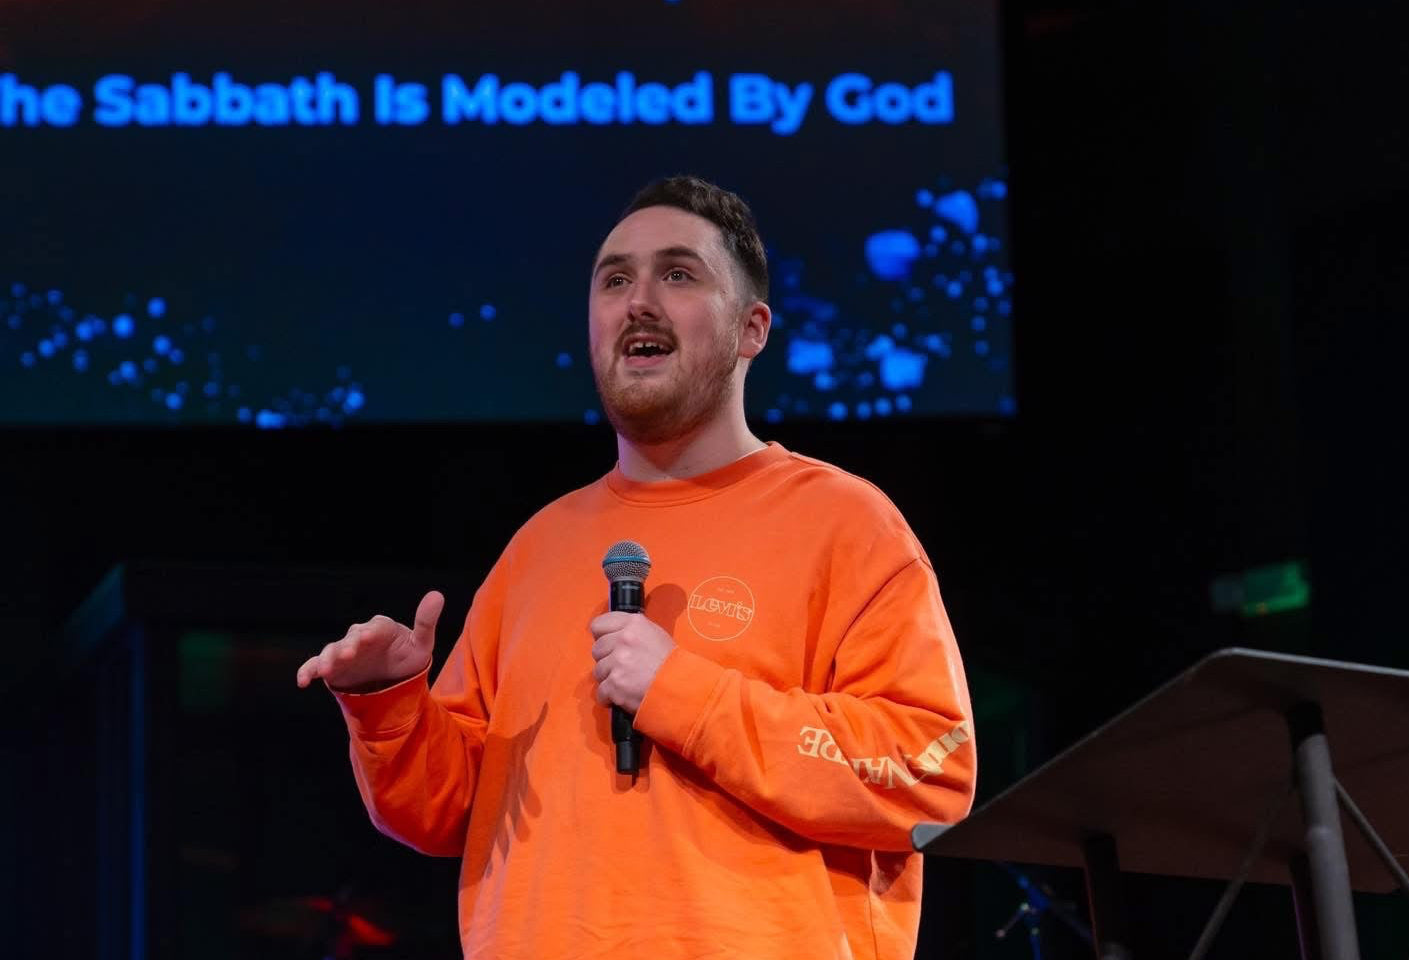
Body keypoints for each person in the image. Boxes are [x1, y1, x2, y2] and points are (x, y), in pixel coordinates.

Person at [296, 175, 977, 960]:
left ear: (752, 329)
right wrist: (390, 706)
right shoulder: (539, 548)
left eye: (678, 274)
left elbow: (929, 772)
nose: (638, 302)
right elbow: (440, 813)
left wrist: (683, 694)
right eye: (615, 280)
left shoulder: (845, 523)